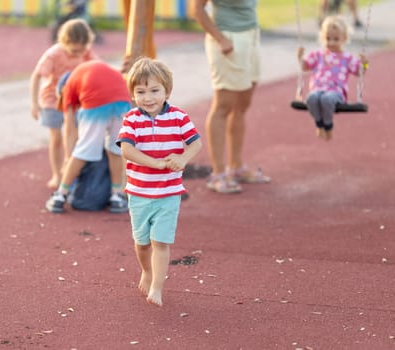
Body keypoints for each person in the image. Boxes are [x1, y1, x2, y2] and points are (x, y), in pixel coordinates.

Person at [116, 57, 202, 307]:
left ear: (167, 91)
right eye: (141, 92)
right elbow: (126, 150)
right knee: (142, 243)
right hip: (140, 193)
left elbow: (196, 143)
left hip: (168, 193)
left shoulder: (178, 117)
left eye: (155, 90)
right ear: (133, 95)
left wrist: (183, 157)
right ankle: (146, 269)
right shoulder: (132, 119)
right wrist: (155, 163)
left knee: (160, 242)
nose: (148, 97)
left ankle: (157, 287)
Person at [191, 0, 270, 195]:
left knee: (242, 105)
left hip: (251, 34)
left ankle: (236, 166)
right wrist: (220, 39)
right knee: (223, 106)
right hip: (228, 38)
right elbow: (197, 9)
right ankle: (218, 173)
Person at [45, 60, 131, 214]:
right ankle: (116, 197)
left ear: (62, 90)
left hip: (97, 100)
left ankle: (60, 195)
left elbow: (70, 129)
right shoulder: (86, 71)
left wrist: (67, 157)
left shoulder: (69, 86)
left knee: (83, 150)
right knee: (115, 149)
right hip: (123, 99)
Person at [30, 18, 97, 190]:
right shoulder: (53, 54)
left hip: (73, 102)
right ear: (65, 42)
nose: (78, 54)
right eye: (74, 50)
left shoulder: (86, 52)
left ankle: (70, 172)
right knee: (57, 138)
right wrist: (34, 104)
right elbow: (36, 76)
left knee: (74, 137)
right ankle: (57, 174)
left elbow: (99, 68)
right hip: (52, 100)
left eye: (81, 50)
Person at [297, 15, 368, 141]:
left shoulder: (347, 58)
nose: (331, 42)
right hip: (317, 89)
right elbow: (305, 66)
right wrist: (300, 58)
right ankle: (319, 124)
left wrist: (364, 64)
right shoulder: (318, 55)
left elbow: (359, 72)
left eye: (336, 39)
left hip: (336, 92)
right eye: (327, 38)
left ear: (344, 38)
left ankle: (328, 125)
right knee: (311, 98)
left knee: (326, 99)